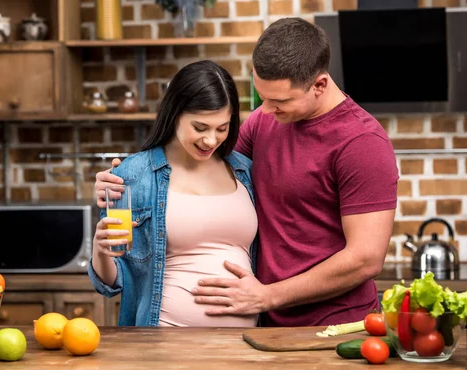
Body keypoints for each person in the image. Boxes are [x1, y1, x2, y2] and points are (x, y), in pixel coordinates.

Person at [97, 18, 399, 327]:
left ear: (319, 85)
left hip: (333, 325)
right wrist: (121, 180)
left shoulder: (362, 143)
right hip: (266, 326)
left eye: (279, 101)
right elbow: (201, 168)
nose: (265, 111)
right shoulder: (265, 122)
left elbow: (365, 259)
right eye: (261, 97)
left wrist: (268, 296)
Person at [89, 60, 259, 327]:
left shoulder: (245, 172)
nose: (211, 140)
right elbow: (112, 285)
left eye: (222, 128)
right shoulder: (132, 176)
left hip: (244, 348)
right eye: (200, 128)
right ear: (175, 114)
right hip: (166, 344)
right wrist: (101, 252)